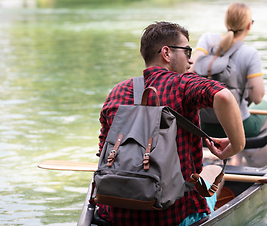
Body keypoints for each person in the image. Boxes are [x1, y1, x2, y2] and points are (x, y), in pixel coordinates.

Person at [96, 21, 245, 226]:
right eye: (187, 51)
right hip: (172, 217)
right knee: (213, 169)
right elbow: (224, 97)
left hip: (114, 215)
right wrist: (237, 146)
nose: (190, 60)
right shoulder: (182, 85)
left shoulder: (117, 92)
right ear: (167, 53)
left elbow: (103, 150)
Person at [191, 2, 267, 138]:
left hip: (201, 126)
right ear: (249, 25)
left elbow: (191, 71)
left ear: (226, 22)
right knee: (264, 105)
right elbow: (257, 98)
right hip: (236, 128)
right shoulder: (250, 54)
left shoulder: (207, 39)